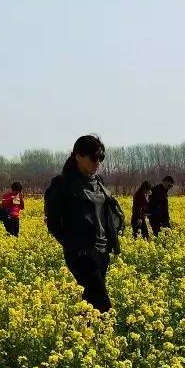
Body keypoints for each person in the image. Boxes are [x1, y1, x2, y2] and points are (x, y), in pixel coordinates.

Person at [44, 134, 124, 313]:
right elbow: (54, 223)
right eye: (94, 157)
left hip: (102, 252)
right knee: (103, 306)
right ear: (78, 156)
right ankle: (104, 336)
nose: (98, 162)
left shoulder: (99, 183)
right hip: (82, 254)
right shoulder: (62, 185)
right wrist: (74, 246)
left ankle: (81, 336)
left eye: (101, 158)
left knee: (90, 300)